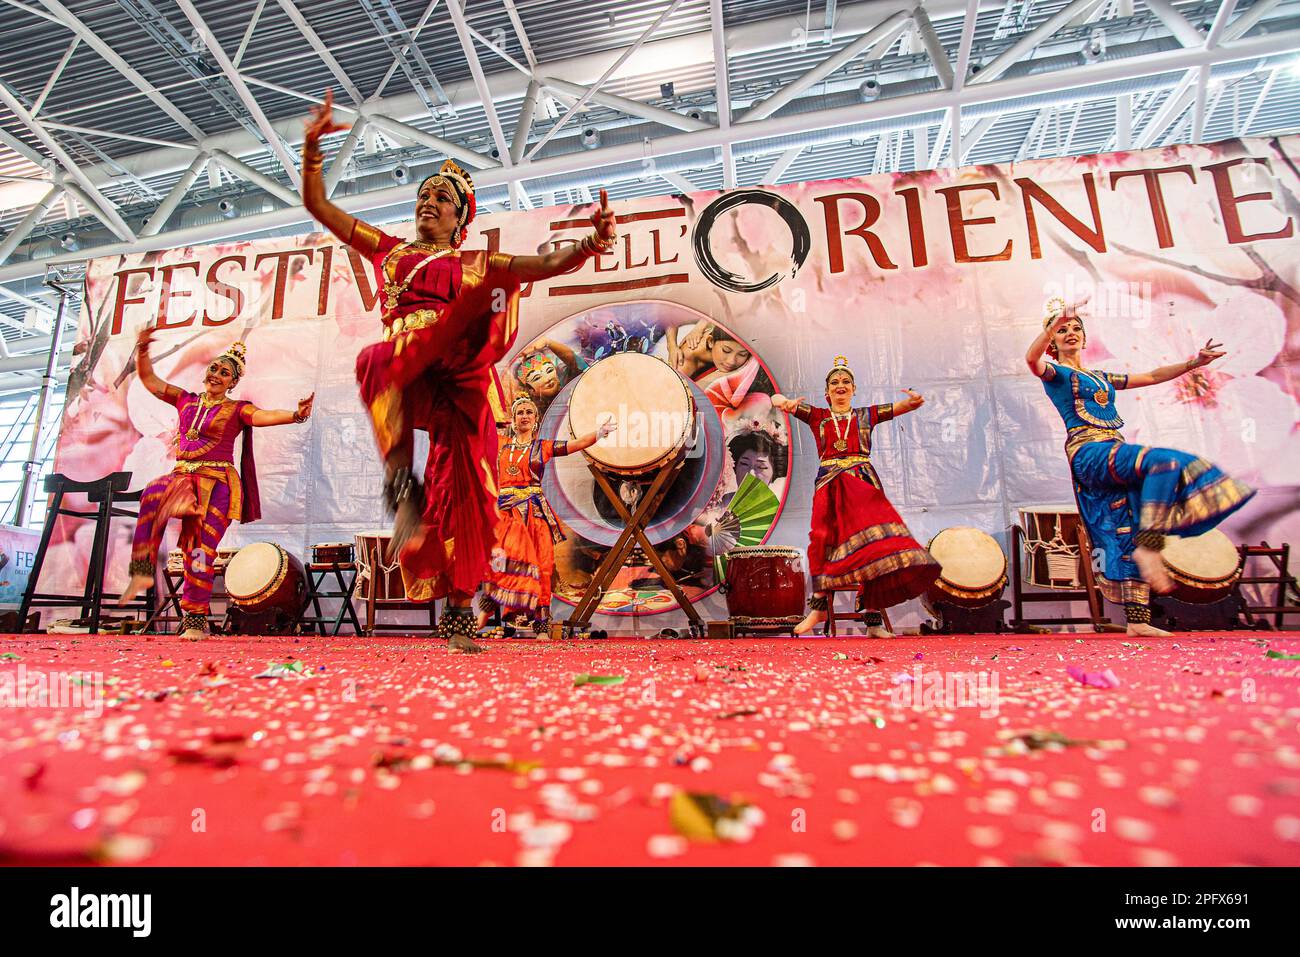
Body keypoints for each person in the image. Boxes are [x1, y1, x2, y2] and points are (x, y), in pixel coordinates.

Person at [300, 89, 618, 653]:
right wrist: (312, 153)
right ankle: (403, 493)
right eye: (424, 195)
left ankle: (459, 616)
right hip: (410, 365)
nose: (429, 202)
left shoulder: (476, 263)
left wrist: (591, 243)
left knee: (468, 494)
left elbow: (543, 264)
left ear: (461, 216)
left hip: (461, 374)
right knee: (377, 364)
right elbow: (322, 210)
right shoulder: (389, 251)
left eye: (442, 197)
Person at [1026, 296, 1254, 636]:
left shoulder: (1101, 377)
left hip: (1113, 452)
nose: (1070, 333)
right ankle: (1152, 544)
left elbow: (1151, 375)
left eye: (1076, 328)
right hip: (1089, 453)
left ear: (1085, 338)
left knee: (1126, 527)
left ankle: (1138, 620)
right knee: (1163, 463)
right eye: (1062, 330)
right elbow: (1030, 358)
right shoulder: (1055, 374)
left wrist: (1195, 362)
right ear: (1053, 342)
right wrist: (1055, 319)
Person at [119, 333, 313, 640]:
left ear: (232, 383)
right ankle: (142, 569)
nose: (217, 375)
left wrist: (295, 415)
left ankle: (195, 620)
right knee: (153, 494)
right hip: (183, 480)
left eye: (225, 373)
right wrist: (142, 352)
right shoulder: (185, 400)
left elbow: (262, 417)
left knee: (199, 550)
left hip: (217, 485)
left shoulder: (237, 410)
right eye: (214, 369)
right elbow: (150, 380)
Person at [773, 356, 940, 637]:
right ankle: (819, 607)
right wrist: (782, 402)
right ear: (826, 392)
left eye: (846, 382)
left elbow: (899, 408)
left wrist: (913, 402)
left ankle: (872, 618)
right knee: (821, 540)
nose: (841, 385)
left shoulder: (866, 415)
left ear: (854, 389)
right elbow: (779, 400)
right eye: (835, 382)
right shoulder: (817, 416)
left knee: (872, 544)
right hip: (828, 482)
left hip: (861, 480)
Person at [477, 396, 615, 635]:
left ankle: (541, 626)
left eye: (529, 412)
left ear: (536, 418)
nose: (524, 416)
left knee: (543, 566)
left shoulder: (543, 447)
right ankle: (483, 618)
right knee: (500, 563)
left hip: (534, 513)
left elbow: (576, 444)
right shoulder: (500, 444)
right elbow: (479, 434)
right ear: (513, 418)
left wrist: (599, 433)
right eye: (520, 412)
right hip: (507, 515)